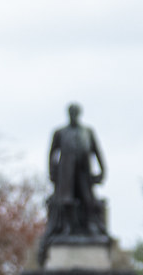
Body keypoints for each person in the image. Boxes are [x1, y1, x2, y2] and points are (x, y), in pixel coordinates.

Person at [40, 103, 107, 264]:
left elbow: (97, 152)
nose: (73, 115)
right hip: (66, 172)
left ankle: (91, 226)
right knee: (66, 201)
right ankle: (67, 228)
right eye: (71, 112)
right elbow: (52, 154)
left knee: (88, 200)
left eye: (76, 112)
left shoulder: (88, 132)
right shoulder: (60, 132)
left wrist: (102, 171)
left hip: (84, 172)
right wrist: (52, 173)